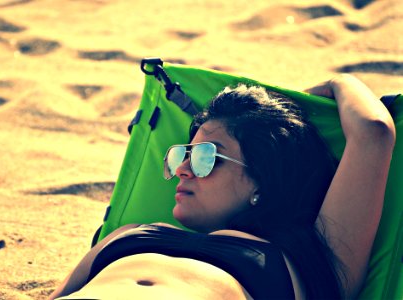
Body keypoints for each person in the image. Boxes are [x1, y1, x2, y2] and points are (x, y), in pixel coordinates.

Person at [49, 74, 395, 300]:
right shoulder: (127, 233)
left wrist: (338, 83)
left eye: (204, 157)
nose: (183, 170)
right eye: (181, 156)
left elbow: (373, 133)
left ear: (263, 179)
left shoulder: (310, 260)